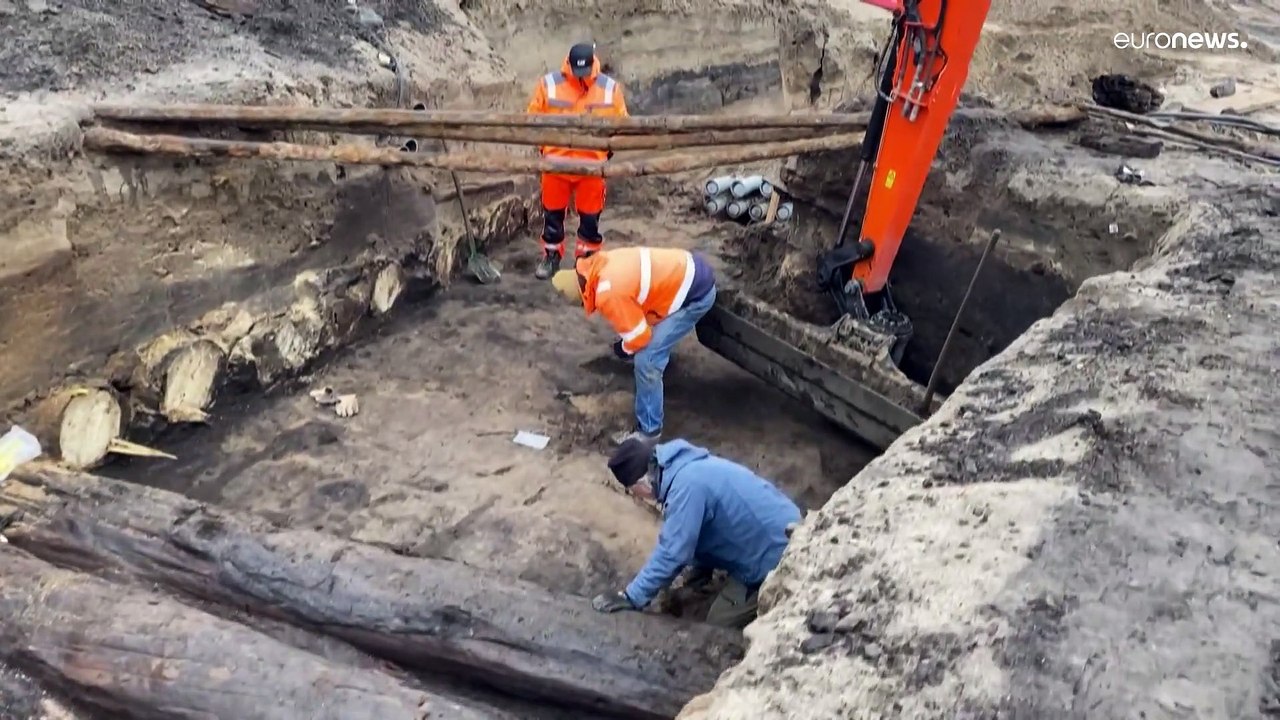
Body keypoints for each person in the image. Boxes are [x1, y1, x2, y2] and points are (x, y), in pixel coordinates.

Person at [591, 437, 802, 629]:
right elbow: (702, 528)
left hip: (779, 556)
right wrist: (699, 568)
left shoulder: (686, 488)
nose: (635, 496)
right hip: (788, 529)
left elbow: (673, 551)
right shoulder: (685, 466)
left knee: (718, 624)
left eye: (630, 490)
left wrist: (631, 596)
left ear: (641, 483)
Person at [551, 246, 716, 444]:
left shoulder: (608, 293)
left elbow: (639, 338)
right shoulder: (599, 265)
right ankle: (660, 370)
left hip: (695, 296)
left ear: (581, 294)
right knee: (648, 343)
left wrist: (623, 349)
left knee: (647, 359)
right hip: (687, 271)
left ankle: (649, 432)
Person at [526, 42, 629, 280]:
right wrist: (546, 150)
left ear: (593, 64)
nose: (579, 76)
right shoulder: (549, 85)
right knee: (552, 215)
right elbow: (532, 119)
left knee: (590, 217)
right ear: (568, 65)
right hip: (555, 165)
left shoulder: (609, 88)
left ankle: (587, 260)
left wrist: (604, 153)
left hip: (592, 167)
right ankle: (551, 257)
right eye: (576, 71)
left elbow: (621, 125)